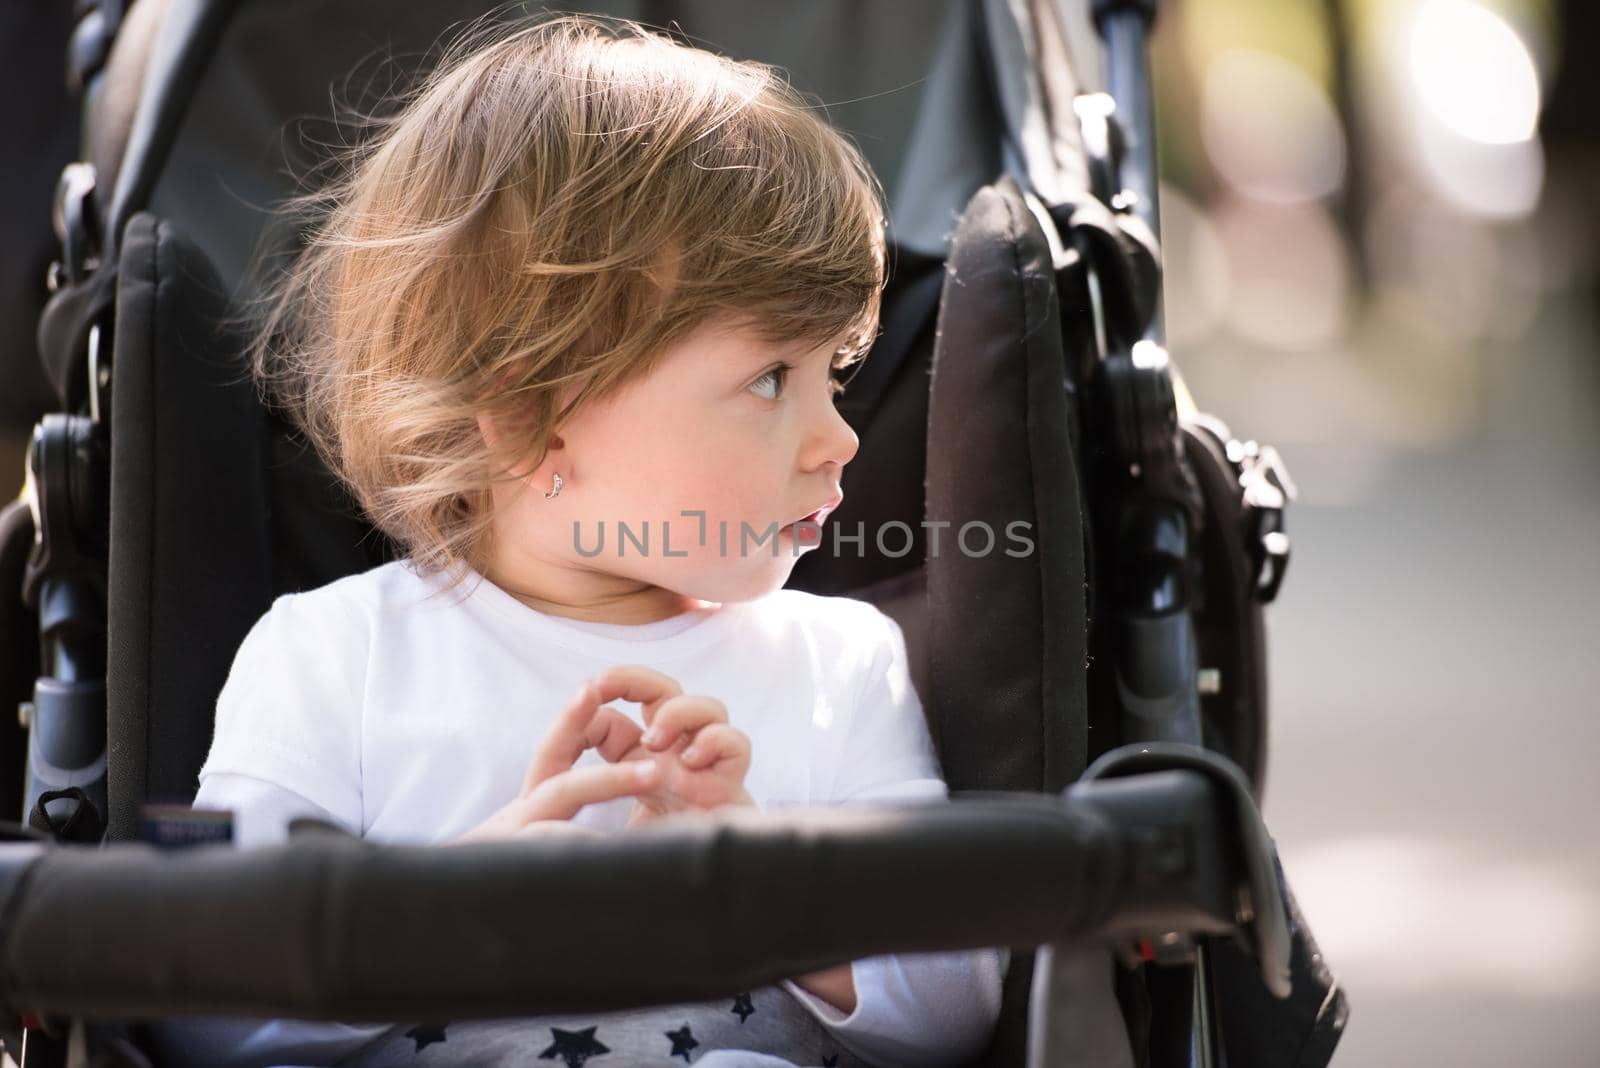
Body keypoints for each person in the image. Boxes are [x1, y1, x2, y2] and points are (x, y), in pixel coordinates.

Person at [145, 12, 1005, 1068]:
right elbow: (201, 1011)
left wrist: (755, 880)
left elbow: (955, 1013)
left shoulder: (839, 666)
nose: (839, 437)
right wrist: (449, 917)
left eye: (835, 373)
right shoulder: (332, 659)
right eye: (771, 379)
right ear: (527, 420)